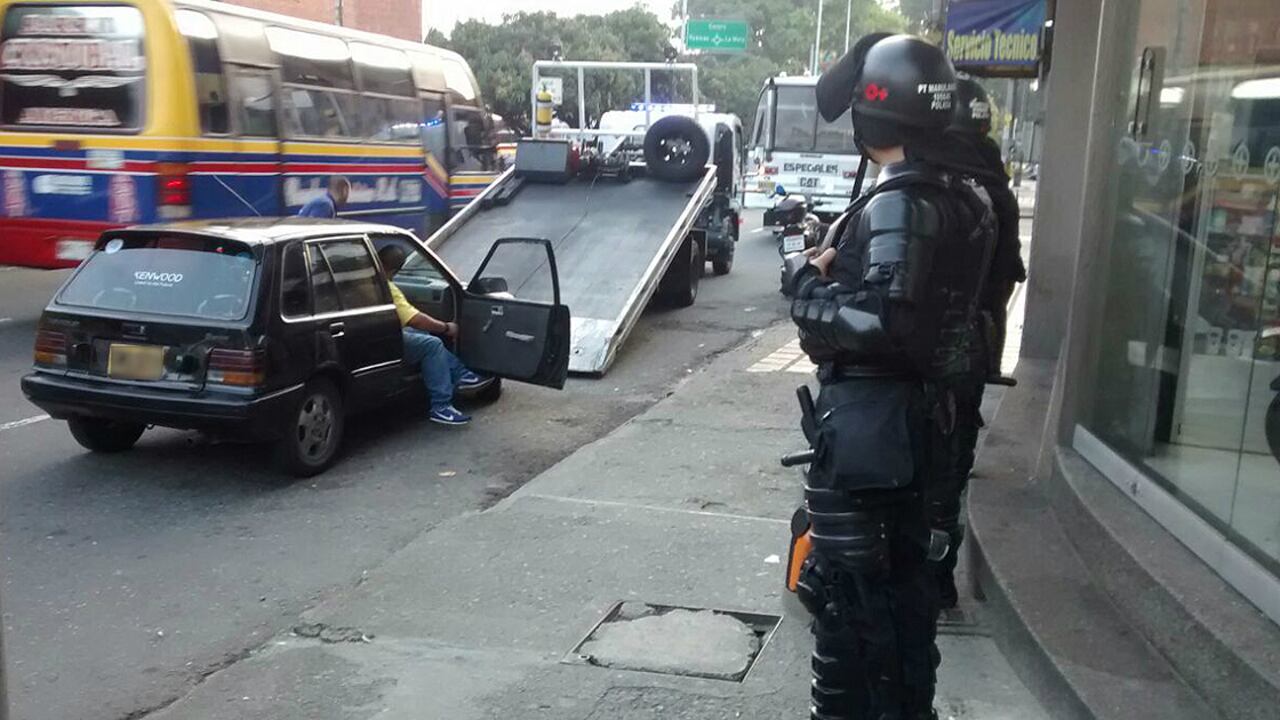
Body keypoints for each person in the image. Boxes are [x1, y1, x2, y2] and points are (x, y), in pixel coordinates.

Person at [787, 34, 994, 720]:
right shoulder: (962, 196)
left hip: (876, 440)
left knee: (855, 614)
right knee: (897, 612)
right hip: (911, 433)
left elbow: (885, 322)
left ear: (874, 114)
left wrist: (805, 292)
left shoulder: (902, 202)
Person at [927, 77, 1028, 609]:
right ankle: (939, 576)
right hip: (968, 348)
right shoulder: (996, 188)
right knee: (950, 466)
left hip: (911, 352)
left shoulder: (921, 182)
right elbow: (1009, 277)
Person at [377, 245, 484, 426]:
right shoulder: (386, 288)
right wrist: (446, 327)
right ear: (396, 270)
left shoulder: (361, 280)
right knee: (431, 344)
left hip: (371, 334)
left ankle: (461, 373)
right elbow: (415, 319)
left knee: (420, 333)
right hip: (383, 339)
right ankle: (441, 406)